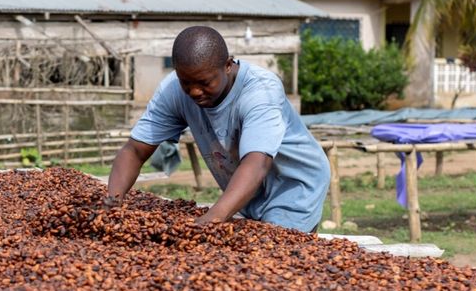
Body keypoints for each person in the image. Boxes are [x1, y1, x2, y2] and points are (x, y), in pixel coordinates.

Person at [106, 26, 330, 233]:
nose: (194, 92)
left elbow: (257, 163)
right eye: (186, 82)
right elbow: (135, 151)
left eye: (205, 83)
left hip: (293, 184)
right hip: (249, 188)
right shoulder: (173, 90)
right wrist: (112, 205)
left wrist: (210, 220)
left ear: (228, 65)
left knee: (276, 255)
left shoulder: (260, 91)